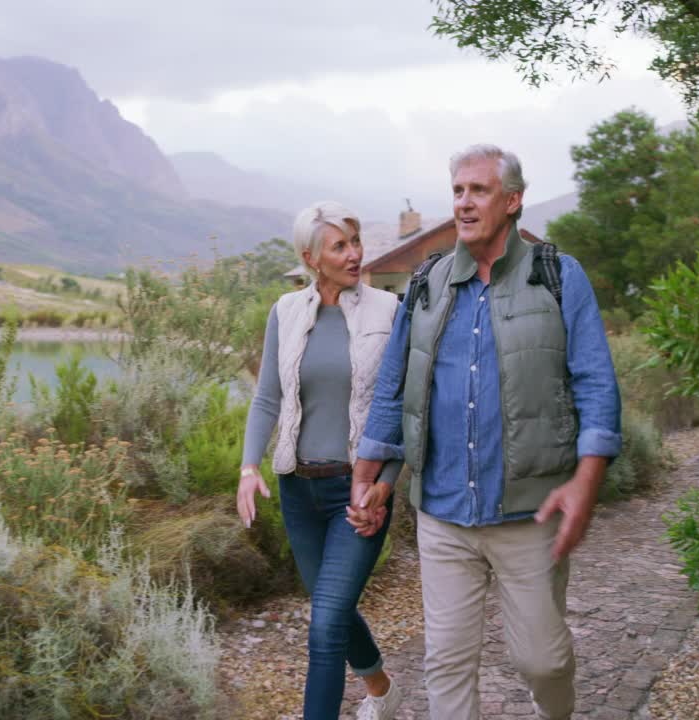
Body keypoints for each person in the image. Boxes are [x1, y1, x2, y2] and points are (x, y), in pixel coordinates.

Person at [349, 145, 622, 720]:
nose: (464, 203)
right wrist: (369, 475)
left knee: (543, 662)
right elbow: (393, 386)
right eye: (457, 191)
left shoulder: (557, 276)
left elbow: (596, 383)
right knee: (446, 663)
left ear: (512, 200)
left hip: (529, 512)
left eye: (478, 191)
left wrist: (587, 478)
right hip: (443, 512)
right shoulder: (426, 283)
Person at [237, 201, 406, 720]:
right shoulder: (285, 312)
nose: (355, 254)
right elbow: (267, 396)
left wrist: (387, 483)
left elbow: (404, 405)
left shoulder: (388, 311)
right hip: (298, 490)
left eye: (355, 241)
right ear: (312, 258)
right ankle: (381, 689)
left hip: (357, 493)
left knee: (324, 624)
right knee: (332, 609)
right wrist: (248, 468)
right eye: (341, 245)